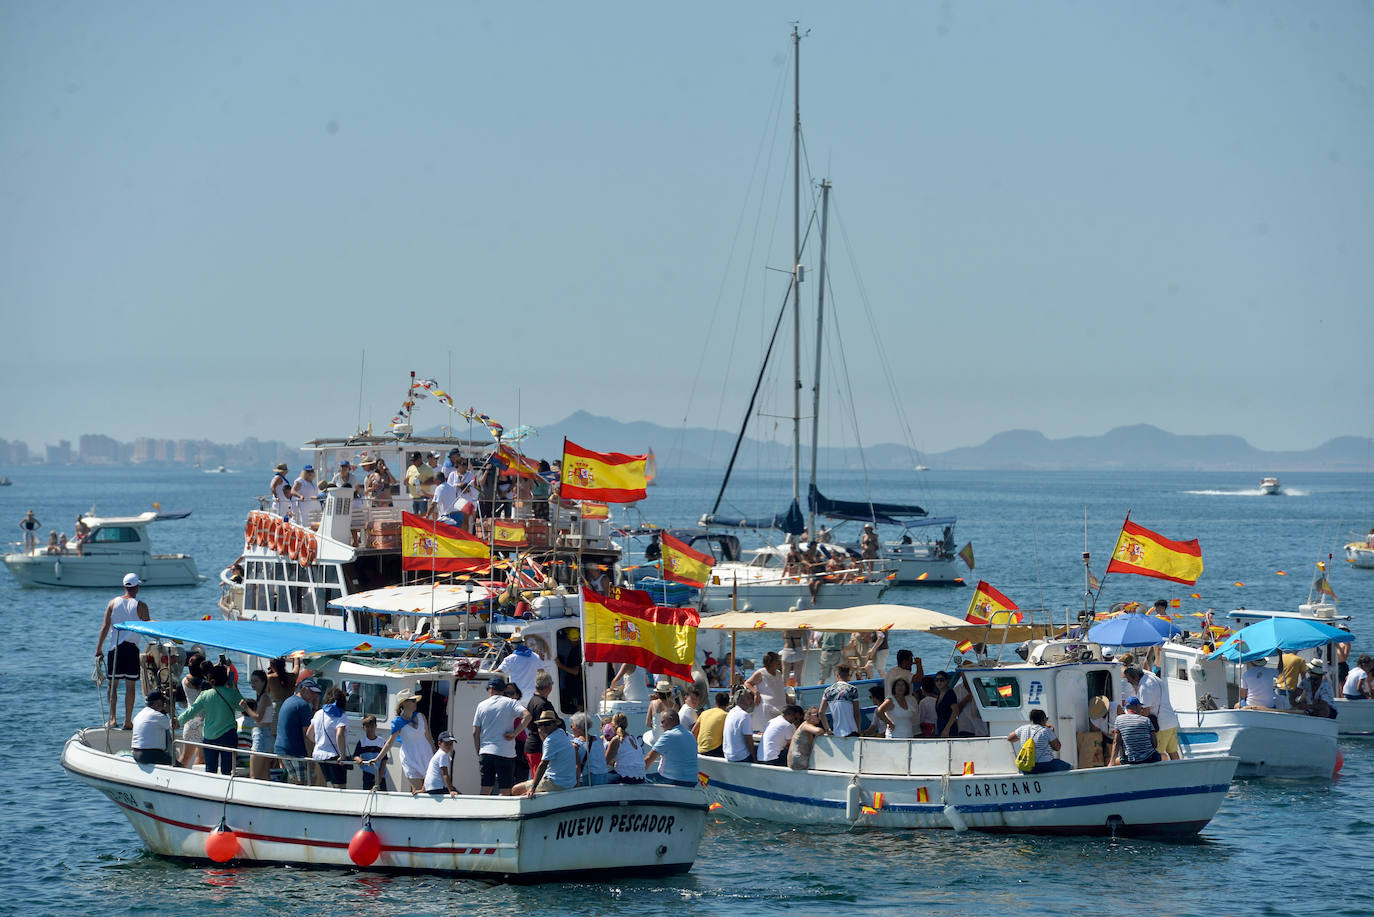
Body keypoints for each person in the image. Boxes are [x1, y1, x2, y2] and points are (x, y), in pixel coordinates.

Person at [95, 573, 152, 730]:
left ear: (124, 586)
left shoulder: (113, 603)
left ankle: (112, 719)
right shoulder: (141, 605)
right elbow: (148, 627)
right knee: (130, 686)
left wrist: (98, 648)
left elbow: (105, 626)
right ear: (137, 587)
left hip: (115, 648)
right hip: (132, 648)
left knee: (112, 685)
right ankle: (128, 721)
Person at [181, 663, 245, 776]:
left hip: (209, 736)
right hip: (227, 736)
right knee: (227, 770)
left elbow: (191, 711)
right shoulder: (232, 693)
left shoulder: (205, 694)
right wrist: (234, 687)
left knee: (210, 770)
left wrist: (178, 721)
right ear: (226, 679)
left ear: (210, 680)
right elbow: (242, 707)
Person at [470, 677, 530, 795]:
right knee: (505, 790)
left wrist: (479, 750)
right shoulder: (511, 703)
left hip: (485, 752)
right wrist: (514, 734)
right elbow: (527, 716)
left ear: (491, 689)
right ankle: (502, 812)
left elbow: (475, 732)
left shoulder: (481, 705)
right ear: (503, 690)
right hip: (505, 753)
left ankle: (482, 812)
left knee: (485, 788)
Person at [1123, 664, 1180, 760]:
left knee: (1157, 755)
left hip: (1160, 725)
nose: (1128, 681)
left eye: (1129, 679)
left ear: (1136, 676)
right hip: (1171, 722)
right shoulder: (1153, 678)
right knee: (1173, 752)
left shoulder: (1144, 686)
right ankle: (1180, 773)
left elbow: (1145, 711)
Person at [514, 710, 578, 796]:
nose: (543, 727)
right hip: (569, 782)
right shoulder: (561, 732)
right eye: (540, 725)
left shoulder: (550, 740)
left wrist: (533, 788)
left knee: (515, 789)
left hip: (556, 783)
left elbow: (543, 765)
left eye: (547, 724)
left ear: (554, 724)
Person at [275, 677, 321, 784]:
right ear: (304, 689)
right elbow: (307, 735)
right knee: (306, 780)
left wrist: (314, 707)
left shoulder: (288, 701)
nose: (315, 696)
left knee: (293, 779)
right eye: (312, 692)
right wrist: (311, 758)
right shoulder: (303, 705)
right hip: (295, 751)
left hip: (281, 749)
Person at [308, 685, 350, 787]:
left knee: (324, 786)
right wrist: (342, 755)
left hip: (318, 755)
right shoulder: (340, 715)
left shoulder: (318, 713)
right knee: (339, 788)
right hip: (334, 756)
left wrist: (320, 742)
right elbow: (339, 735)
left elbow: (309, 733)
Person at [645, 709, 701, 785]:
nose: (661, 725)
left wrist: (636, 774)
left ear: (671, 720)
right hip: (692, 781)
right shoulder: (690, 735)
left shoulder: (668, 735)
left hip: (672, 780)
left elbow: (649, 758)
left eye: (662, 722)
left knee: (643, 778)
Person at [1008, 708, 1072, 773]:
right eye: (1046, 719)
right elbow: (1057, 747)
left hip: (1026, 767)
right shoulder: (1046, 730)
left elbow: (1010, 738)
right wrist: (1052, 733)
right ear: (1043, 719)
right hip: (1043, 765)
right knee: (1069, 767)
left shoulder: (1022, 729)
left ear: (1031, 719)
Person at [240, 669, 277, 780]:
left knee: (254, 775)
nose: (253, 684)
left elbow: (258, 717)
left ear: (263, 682)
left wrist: (246, 707)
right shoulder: (264, 697)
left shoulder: (264, 697)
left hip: (261, 736)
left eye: (256, 681)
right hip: (266, 735)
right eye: (251, 681)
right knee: (265, 776)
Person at [522, 671, 557, 779]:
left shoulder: (533, 701)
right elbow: (544, 729)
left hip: (533, 745)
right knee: (539, 781)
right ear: (549, 686)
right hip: (539, 747)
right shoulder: (543, 704)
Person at [497, 632, 548, 703]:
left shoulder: (510, 659)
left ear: (512, 646)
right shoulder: (535, 656)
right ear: (523, 643)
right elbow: (542, 673)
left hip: (516, 696)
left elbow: (497, 673)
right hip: (532, 696)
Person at [1109, 697, 1161, 765]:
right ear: (1137, 706)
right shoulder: (1146, 720)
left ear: (1126, 708)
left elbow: (1116, 742)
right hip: (1149, 758)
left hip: (1130, 760)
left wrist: (1111, 763)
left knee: (1117, 760)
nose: (1142, 709)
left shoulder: (1118, 719)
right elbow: (1155, 744)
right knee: (1163, 756)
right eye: (1140, 706)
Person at [130, 690, 177, 765]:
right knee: (178, 765)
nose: (164, 704)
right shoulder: (158, 716)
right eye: (163, 702)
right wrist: (170, 712)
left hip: (136, 753)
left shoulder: (139, 715)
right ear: (157, 703)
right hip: (150, 754)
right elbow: (175, 726)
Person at [745, 652, 787, 730]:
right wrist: (756, 692)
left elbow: (778, 688)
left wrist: (786, 695)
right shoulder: (761, 673)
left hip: (780, 707)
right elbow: (747, 683)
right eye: (777, 660)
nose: (779, 662)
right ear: (771, 662)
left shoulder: (778, 673)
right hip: (766, 708)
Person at [605, 712, 647, 783]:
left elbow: (605, 762)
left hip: (625, 777)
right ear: (626, 725)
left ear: (612, 725)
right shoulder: (633, 738)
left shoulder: (615, 740)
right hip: (641, 777)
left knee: (600, 778)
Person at [820, 666, 861, 738]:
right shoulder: (852, 689)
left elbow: (821, 712)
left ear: (837, 675)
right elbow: (856, 713)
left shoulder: (828, 690)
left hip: (836, 732)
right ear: (849, 676)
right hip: (852, 731)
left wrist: (828, 729)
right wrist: (858, 730)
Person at [946, 672, 989, 738]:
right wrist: (965, 700)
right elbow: (954, 712)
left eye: (969, 673)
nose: (967, 675)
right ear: (961, 674)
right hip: (965, 727)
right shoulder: (956, 690)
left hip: (981, 727)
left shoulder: (981, 688)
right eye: (964, 673)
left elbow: (987, 706)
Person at [352, 714, 388, 791]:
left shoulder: (382, 742)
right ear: (363, 728)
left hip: (380, 774)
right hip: (367, 774)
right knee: (367, 793)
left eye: (372, 726)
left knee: (382, 796)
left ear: (375, 726)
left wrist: (380, 776)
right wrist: (358, 759)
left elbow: (384, 760)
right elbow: (355, 755)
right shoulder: (362, 742)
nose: (370, 728)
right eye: (367, 726)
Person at [722, 689, 757, 762]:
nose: (751, 702)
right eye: (749, 699)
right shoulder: (744, 715)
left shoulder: (730, 712)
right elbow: (748, 740)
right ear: (745, 700)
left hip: (728, 754)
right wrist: (755, 758)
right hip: (740, 757)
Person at [694, 691, 729, 757]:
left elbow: (694, 732)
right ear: (728, 703)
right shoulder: (727, 716)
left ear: (715, 703)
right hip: (714, 751)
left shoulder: (704, 713)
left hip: (700, 750)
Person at [934, 671, 959, 736]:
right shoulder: (940, 694)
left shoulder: (950, 693)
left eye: (941, 680)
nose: (939, 682)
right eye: (936, 680)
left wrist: (947, 728)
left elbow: (955, 711)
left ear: (947, 681)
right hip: (941, 727)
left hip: (949, 729)